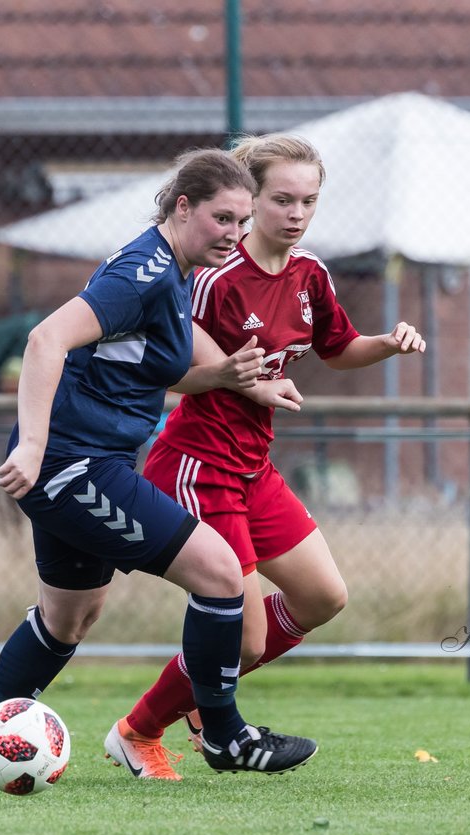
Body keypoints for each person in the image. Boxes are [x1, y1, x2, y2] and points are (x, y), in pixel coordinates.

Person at [0, 148, 319, 781]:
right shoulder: (144, 274)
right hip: (73, 465)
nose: (233, 236)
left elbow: (166, 358)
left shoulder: (173, 272)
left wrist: (236, 379)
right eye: (222, 219)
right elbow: (46, 340)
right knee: (221, 572)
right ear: (182, 207)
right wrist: (31, 446)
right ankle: (226, 735)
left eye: (241, 221)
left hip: (93, 459)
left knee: (70, 617)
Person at [103, 134, 425, 780]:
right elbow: (168, 366)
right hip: (198, 465)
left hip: (253, 469)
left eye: (309, 200)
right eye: (282, 199)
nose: (297, 213)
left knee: (323, 596)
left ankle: (206, 690)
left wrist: (387, 344)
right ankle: (138, 732)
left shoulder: (310, 275)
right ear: (252, 199)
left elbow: (338, 348)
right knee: (243, 637)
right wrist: (233, 375)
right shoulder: (214, 280)